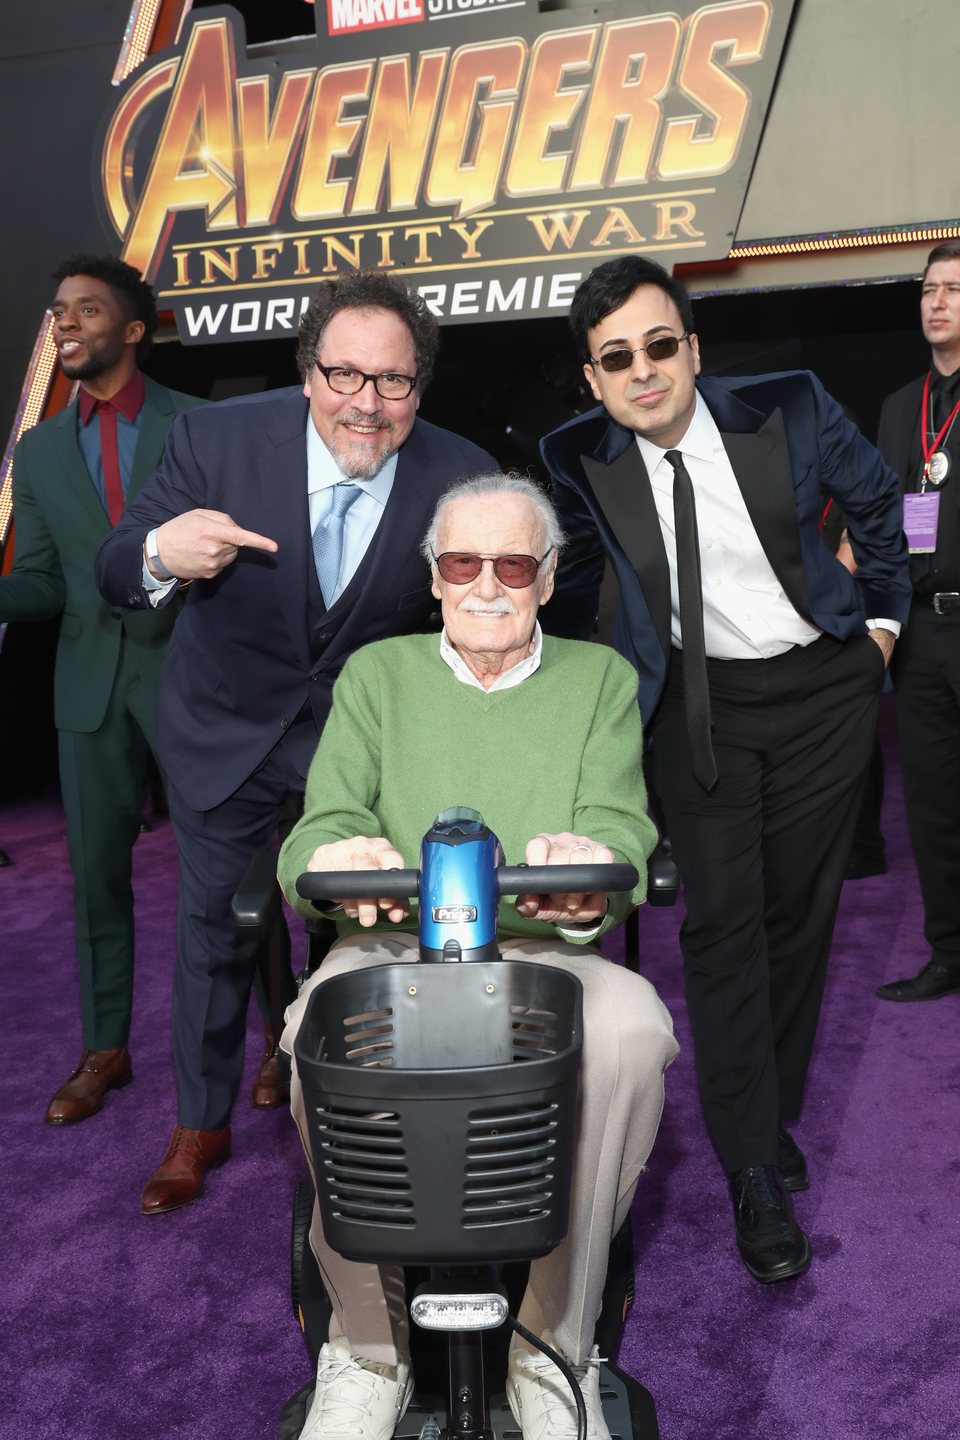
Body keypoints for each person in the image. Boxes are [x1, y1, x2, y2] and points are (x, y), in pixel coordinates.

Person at [277, 474, 678, 1440]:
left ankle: (555, 1346)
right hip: (392, 945)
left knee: (629, 1029)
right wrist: (338, 855)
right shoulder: (378, 675)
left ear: (547, 576)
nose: (486, 586)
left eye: (511, 564)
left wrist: (589, 869)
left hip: (542, 951)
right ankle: (370, 1348)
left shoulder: (599, 680)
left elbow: (620, 827)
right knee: (311, 1033)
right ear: (434, 577)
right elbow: (316, 830)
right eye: (463, 563)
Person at [540, 255, 911, 1283]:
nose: (645, 371)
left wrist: (880, 628)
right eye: (618, 359)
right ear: (593, 380)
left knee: (800, 916)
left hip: (824, 691)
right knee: (721, 928)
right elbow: (567, 592)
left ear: (695, 349)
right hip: (696, 715)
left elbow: (877, 501)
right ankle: (752, 1168)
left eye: (662, 346)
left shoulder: (787, 407)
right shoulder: (578, 459)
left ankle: (769, 1112)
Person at [95, 271, 497, 1216]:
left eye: (393, 382)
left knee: (355, 927)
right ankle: (201, 1122)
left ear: (420, 387)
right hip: (223, 730)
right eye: (344, 375)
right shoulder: (213, 441)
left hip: (361, 747)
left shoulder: (461, 475)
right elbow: (117, 567)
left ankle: (334, 1088)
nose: (366, 403)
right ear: (307, 371)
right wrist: (160, 554)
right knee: (211, 932)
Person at [1, 254, 203, 1125]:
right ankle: (106, 1049)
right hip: (86, 689)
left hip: (191, 681)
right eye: (57, 313)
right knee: (94, 880)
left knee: (225, 872)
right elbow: (45, 580)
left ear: (132, 329)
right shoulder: (40, 450)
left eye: (86, 309)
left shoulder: (198, 426)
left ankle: (273, 1034)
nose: (65, 324)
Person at [875, 241, 960, 1003]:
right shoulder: (903, 406)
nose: (937, 301)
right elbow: (881, 520)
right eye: (930, 289)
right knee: (931, 803)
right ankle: (948, 954)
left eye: (954, 290)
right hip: (923, 630)